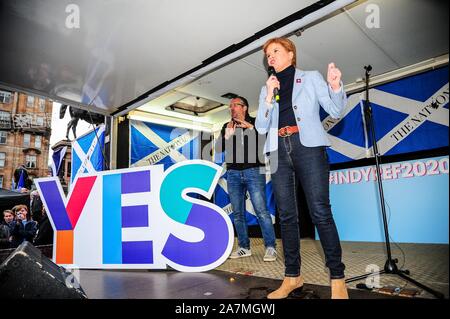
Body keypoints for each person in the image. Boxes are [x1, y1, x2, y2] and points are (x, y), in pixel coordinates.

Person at [255, 37, 348, 299]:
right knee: (285, 215)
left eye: (275, 51)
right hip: (276, 149)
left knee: (320, 211)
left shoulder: (310, 77)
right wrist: (268, 99)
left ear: (290, 54)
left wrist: (335, 86)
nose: (270, 57)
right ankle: (292, 276)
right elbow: (262, 127)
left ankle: (337, 278)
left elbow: (335, 109)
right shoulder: (267, 89)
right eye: (267, 54)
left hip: (307, 146)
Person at [215, 96, 277, 262]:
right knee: (237, 213)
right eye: (230, 106)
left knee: (262, 211)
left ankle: (270, 247)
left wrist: (250, 127)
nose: (232, 108)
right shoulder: (226, 126)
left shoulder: (257, 123)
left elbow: (265, 143)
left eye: (236, 105)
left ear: (245, 107)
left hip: (254, 171)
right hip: (233, 173)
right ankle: (244, 247)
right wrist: (227, 135)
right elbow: (219, 148)